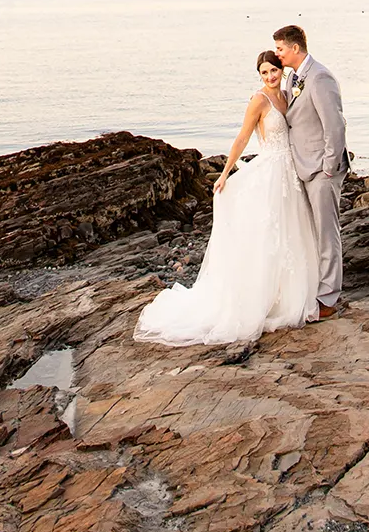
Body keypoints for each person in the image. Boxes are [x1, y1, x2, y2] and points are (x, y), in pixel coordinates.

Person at [134, 49, 320, 347]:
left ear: (281, 70)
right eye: (264, 73)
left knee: (292, 233)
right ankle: (263, 300)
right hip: (271, 171)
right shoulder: (259, 100)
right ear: (259, 76)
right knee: (268, 236)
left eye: (273, 70)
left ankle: (290, 297)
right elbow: (243, 137)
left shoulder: (286, 95)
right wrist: (224, 173)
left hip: (290, 173)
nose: (270, 76)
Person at [273, 24, 348, 318]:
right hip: (302, 166)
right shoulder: (294, 77)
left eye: (280, 49)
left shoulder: (320, 77)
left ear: (294, 48)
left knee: (327, 233)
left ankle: (328, 299)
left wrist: (329, 167)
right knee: (311, 232)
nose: (277, 54)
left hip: (320, 169)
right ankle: (315, 289)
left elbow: (335, 124)